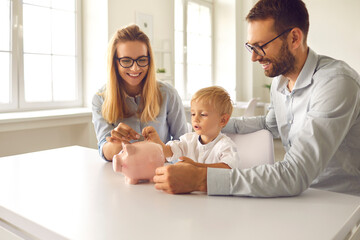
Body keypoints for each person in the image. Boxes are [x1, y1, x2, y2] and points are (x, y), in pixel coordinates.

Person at [153, 0, 360, 196]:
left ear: (294, 38)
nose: (253, 57)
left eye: (261, 46)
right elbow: (269, 124)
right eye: (251, 46)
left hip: (340, 204)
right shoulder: (280, 82)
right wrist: (212, 123)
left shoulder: (335, 83)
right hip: (299, 197)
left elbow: (295, 174)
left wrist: (202, 179)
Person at [92, 25, 188, 161]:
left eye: (142, 60)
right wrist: (118, 143)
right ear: (115, 63)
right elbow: (104, 150)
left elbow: (184, 146)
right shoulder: (100, 99)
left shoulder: (168, 94)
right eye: (126, 61)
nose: (135, 68)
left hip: (161, 173)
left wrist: (161, 148)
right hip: (122, 174)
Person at [143, 86, 240, 169]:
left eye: (203, 114)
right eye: (193, 114)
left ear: (222, 120)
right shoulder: (188, 140)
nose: (195, 119)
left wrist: (195, 166)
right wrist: (157, 141)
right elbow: (168, 152)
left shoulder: (225, 145)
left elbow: (228, 168)